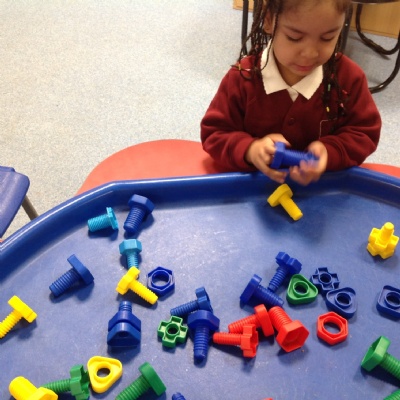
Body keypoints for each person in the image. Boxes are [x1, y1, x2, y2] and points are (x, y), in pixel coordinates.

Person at [200, 0, 381, 186]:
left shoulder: (349, 79)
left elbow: (364, 133)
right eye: (294, 37)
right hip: (254, 190)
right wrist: (250, 149)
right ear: (269, 21)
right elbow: (214, 133)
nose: (310, 54)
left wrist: (331, 151)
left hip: (321, 190)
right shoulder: (242, 78)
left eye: (327, 38)